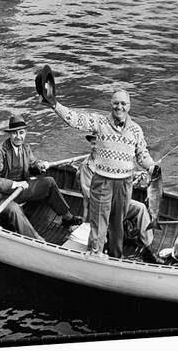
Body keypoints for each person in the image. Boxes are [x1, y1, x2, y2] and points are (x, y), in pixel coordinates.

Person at [42, 85, 159, 258]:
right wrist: (54, 104)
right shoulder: (100, 122)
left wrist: (152, 167)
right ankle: (95, 254)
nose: (120, 107)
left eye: (123, 104)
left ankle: (115, 257)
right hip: (102, 180)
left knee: (117, 224)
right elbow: (75, 119)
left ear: (129, 106)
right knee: (99, 222)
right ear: (111, 104)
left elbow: (142, 156)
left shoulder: (136, 130)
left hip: (124, 183)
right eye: (116, 103)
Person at [0, 115, 83, 240]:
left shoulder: (26, 148)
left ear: (25, 133)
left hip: (19, 192)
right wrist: (16, 184)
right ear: (10, 135)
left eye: (21, 133)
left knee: (49, 182)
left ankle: (68, 218)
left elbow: (33, 164)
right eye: (15, 133)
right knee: (14, 209)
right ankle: (36, 239)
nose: (18, 136)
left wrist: (39, 166)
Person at [76, 133, 155, 255]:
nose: (94, 146)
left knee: (141, 209)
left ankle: (148, 249)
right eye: (92, 143)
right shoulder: (86, 167)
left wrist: (136, 176)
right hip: (99, 206)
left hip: (116, 201)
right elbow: (89, 195)